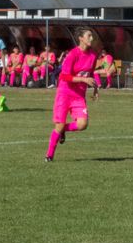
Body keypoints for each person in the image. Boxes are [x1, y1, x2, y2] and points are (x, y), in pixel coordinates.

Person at [44, 28, 111, 162]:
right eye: (89, 36)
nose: (91, 38)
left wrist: (95, 88)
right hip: (65, 93)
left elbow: (90, 74)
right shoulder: (73, 54)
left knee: (82, 124)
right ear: (81, 38)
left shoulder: (93, 55)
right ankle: (49, 155)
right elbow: (64, 76)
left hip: (79, 95)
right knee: (59, 125)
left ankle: (63, 130)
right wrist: (83, 80)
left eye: (92, 36)